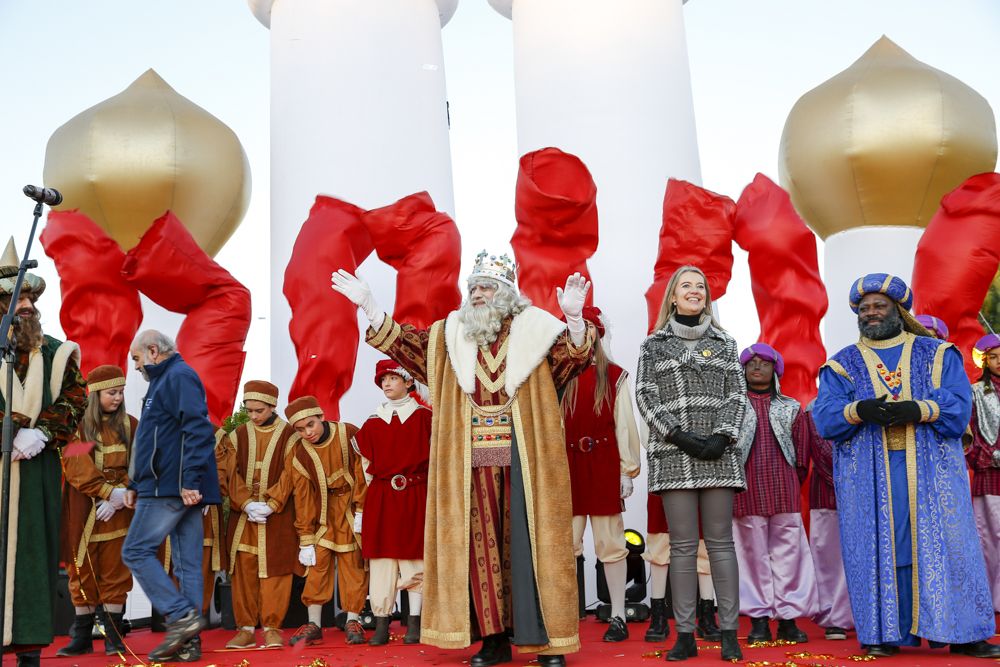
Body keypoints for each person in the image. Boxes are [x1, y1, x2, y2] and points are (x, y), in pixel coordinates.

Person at [332, 251, 594, 667]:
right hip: (468, 465)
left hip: (527, 462)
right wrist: (371, 306)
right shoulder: (449, 335)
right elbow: (408, 346)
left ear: (506, 294)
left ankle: (548, 642)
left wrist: (575, 320)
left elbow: (574, 360)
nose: (476, 294)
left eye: (486, 287)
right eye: (472, 287)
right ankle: (493, 640)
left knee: (534, 551)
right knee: (479, 555)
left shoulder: (537, 330)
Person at [813, 273, 1000, 659]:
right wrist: (858, 410)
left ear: (899, 309)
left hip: (934, 470)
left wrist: (919, 408)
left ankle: (965, 633)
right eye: (864, 308)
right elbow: (826, 417)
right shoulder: (841, 364)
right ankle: (883, 634)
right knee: (885, 549)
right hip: (869, 473)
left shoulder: (938, 353)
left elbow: (958, 406)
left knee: (950, 545)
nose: (871, 312)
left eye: (879, 306)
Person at [634, 264, 744, 663]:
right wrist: (677, 435)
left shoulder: (726, 343)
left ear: (706, 298)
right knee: (680, 547)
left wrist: (722, 437)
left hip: (718, 453)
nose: (694, 290)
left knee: (720, 544)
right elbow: (645, 395)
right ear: (674, 296)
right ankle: (684, 635)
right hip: (673, 454)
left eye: (700, 286)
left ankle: (729, 633)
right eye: (686, 285)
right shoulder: (653, 345)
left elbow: (737, 395)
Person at [0, 238, 87, 667]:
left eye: (31, 299)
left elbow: (76, 397)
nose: (28, 306)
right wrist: (8, 431)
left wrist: (42, 433)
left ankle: (29, 651)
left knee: (34, 554)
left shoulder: (57, 351)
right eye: (18, 299)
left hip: (37, 473)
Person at [121, 330, 221, 663]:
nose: (136, 366)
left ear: (153, 350)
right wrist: (135, 483)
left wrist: (189, 479)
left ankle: (181, 617)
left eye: (136, 358)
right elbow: (153, 439)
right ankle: (189, 644)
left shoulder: (177, 376)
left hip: (169, 487)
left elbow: (198, 429)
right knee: (187, 565)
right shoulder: (165, 380)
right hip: (169, 485)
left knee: (136, 550)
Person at [561, 306, 640, 642]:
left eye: (590, 327)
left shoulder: (614, 375)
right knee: (565, 544)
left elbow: (624, 424)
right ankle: (563, 618)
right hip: (568, 466)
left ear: (597, 334)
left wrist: (627, 470)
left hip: (604, 463)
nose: (584, 333)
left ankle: (618, 614)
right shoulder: (558, 377)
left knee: (610, 543)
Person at [732, 343, 816, 644]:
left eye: (764, 363)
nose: (757, 367)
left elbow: (802, 457)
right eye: (751, 362)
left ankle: (788, 619)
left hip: (784, 491)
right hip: (745, 491)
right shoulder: (733, 407)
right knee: (751, 555)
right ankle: (758, 620)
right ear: (742, 369)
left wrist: (790, 481)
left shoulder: (791, 407)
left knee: (788, 556)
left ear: (775, 370)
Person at [57, 365, 136, 657]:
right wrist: (106, 492)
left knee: (116, 570)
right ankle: (82, 637)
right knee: (82, 570)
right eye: (111, 393)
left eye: (121, 392)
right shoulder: (80, 428)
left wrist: (120, 496)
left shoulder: (131, 425)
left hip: (120, 510)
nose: (118, 398)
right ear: (96, 395)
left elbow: (142, 464)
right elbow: (75, 466)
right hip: (84, 509)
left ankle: (114, 636)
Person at [218, 381, 302, 650]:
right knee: (243, 571)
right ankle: (245, 630)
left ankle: (272, 629)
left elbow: (292, 473)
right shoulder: (237, 435)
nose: (253, 416)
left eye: (259, 410)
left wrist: (272, 503)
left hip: (277, 516)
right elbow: (229, 473)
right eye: (249, 410)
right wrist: (245, 503)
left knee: (276, 572)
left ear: (272, 406)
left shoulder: (290, 435)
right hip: (244, 518)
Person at [279, 395, 368, 646]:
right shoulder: (299, 452)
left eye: (311, 424)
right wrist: (305, 537)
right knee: (316, 568)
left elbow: (363, 471)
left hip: (350, 510)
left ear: (321, 416)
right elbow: (303, 496)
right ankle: (314, 624)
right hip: (322, 515)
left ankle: (353, 620)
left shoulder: (348, 433)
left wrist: (362, 509)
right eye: (300, 429)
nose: (307, 432)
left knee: (353, 566)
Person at [354, 360, 432, 646]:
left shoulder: (425, 418)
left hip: (415, 492)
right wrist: (369, 499)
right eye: (383, 380)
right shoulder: (373, 422)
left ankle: (415, 622)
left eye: (392, 378)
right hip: (382, 495)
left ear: (409, 382)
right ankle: (382, 623)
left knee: (414, 557)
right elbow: (365, 466)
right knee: (382, 560)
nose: (386, 383)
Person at [804, 403, 854, 640]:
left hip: (869, 495)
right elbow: (821, 449)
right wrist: (852, 481)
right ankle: (834, 618)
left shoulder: (871, 399)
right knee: (829, 558)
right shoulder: (815, 409)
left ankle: (866, 616)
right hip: (827, 495)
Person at [967, 334, 1000, 614]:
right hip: (989, 471)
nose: (999, 361)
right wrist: (988, 456)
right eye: (993, 357)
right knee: (988, 538)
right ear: (985, 361)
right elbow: (969, 432)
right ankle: (988, 599)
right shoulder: (975, 391)